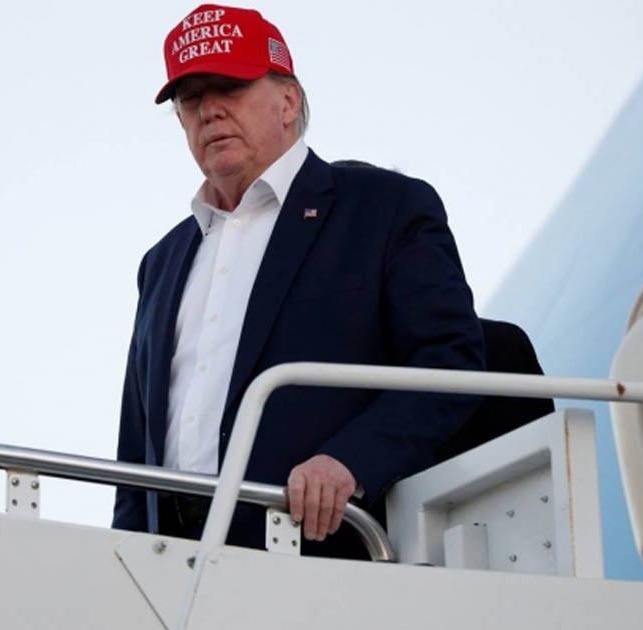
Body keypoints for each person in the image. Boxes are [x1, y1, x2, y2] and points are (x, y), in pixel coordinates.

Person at [112, 3, 485, 560]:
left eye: (229, 88)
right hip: (171, 567)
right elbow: (136, 446)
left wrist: (351, 460)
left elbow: (450, 360)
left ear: (288, 100)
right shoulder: (161, 261)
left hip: (318, 556)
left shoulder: (383, 209)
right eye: (191, 99)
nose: (209, 111)